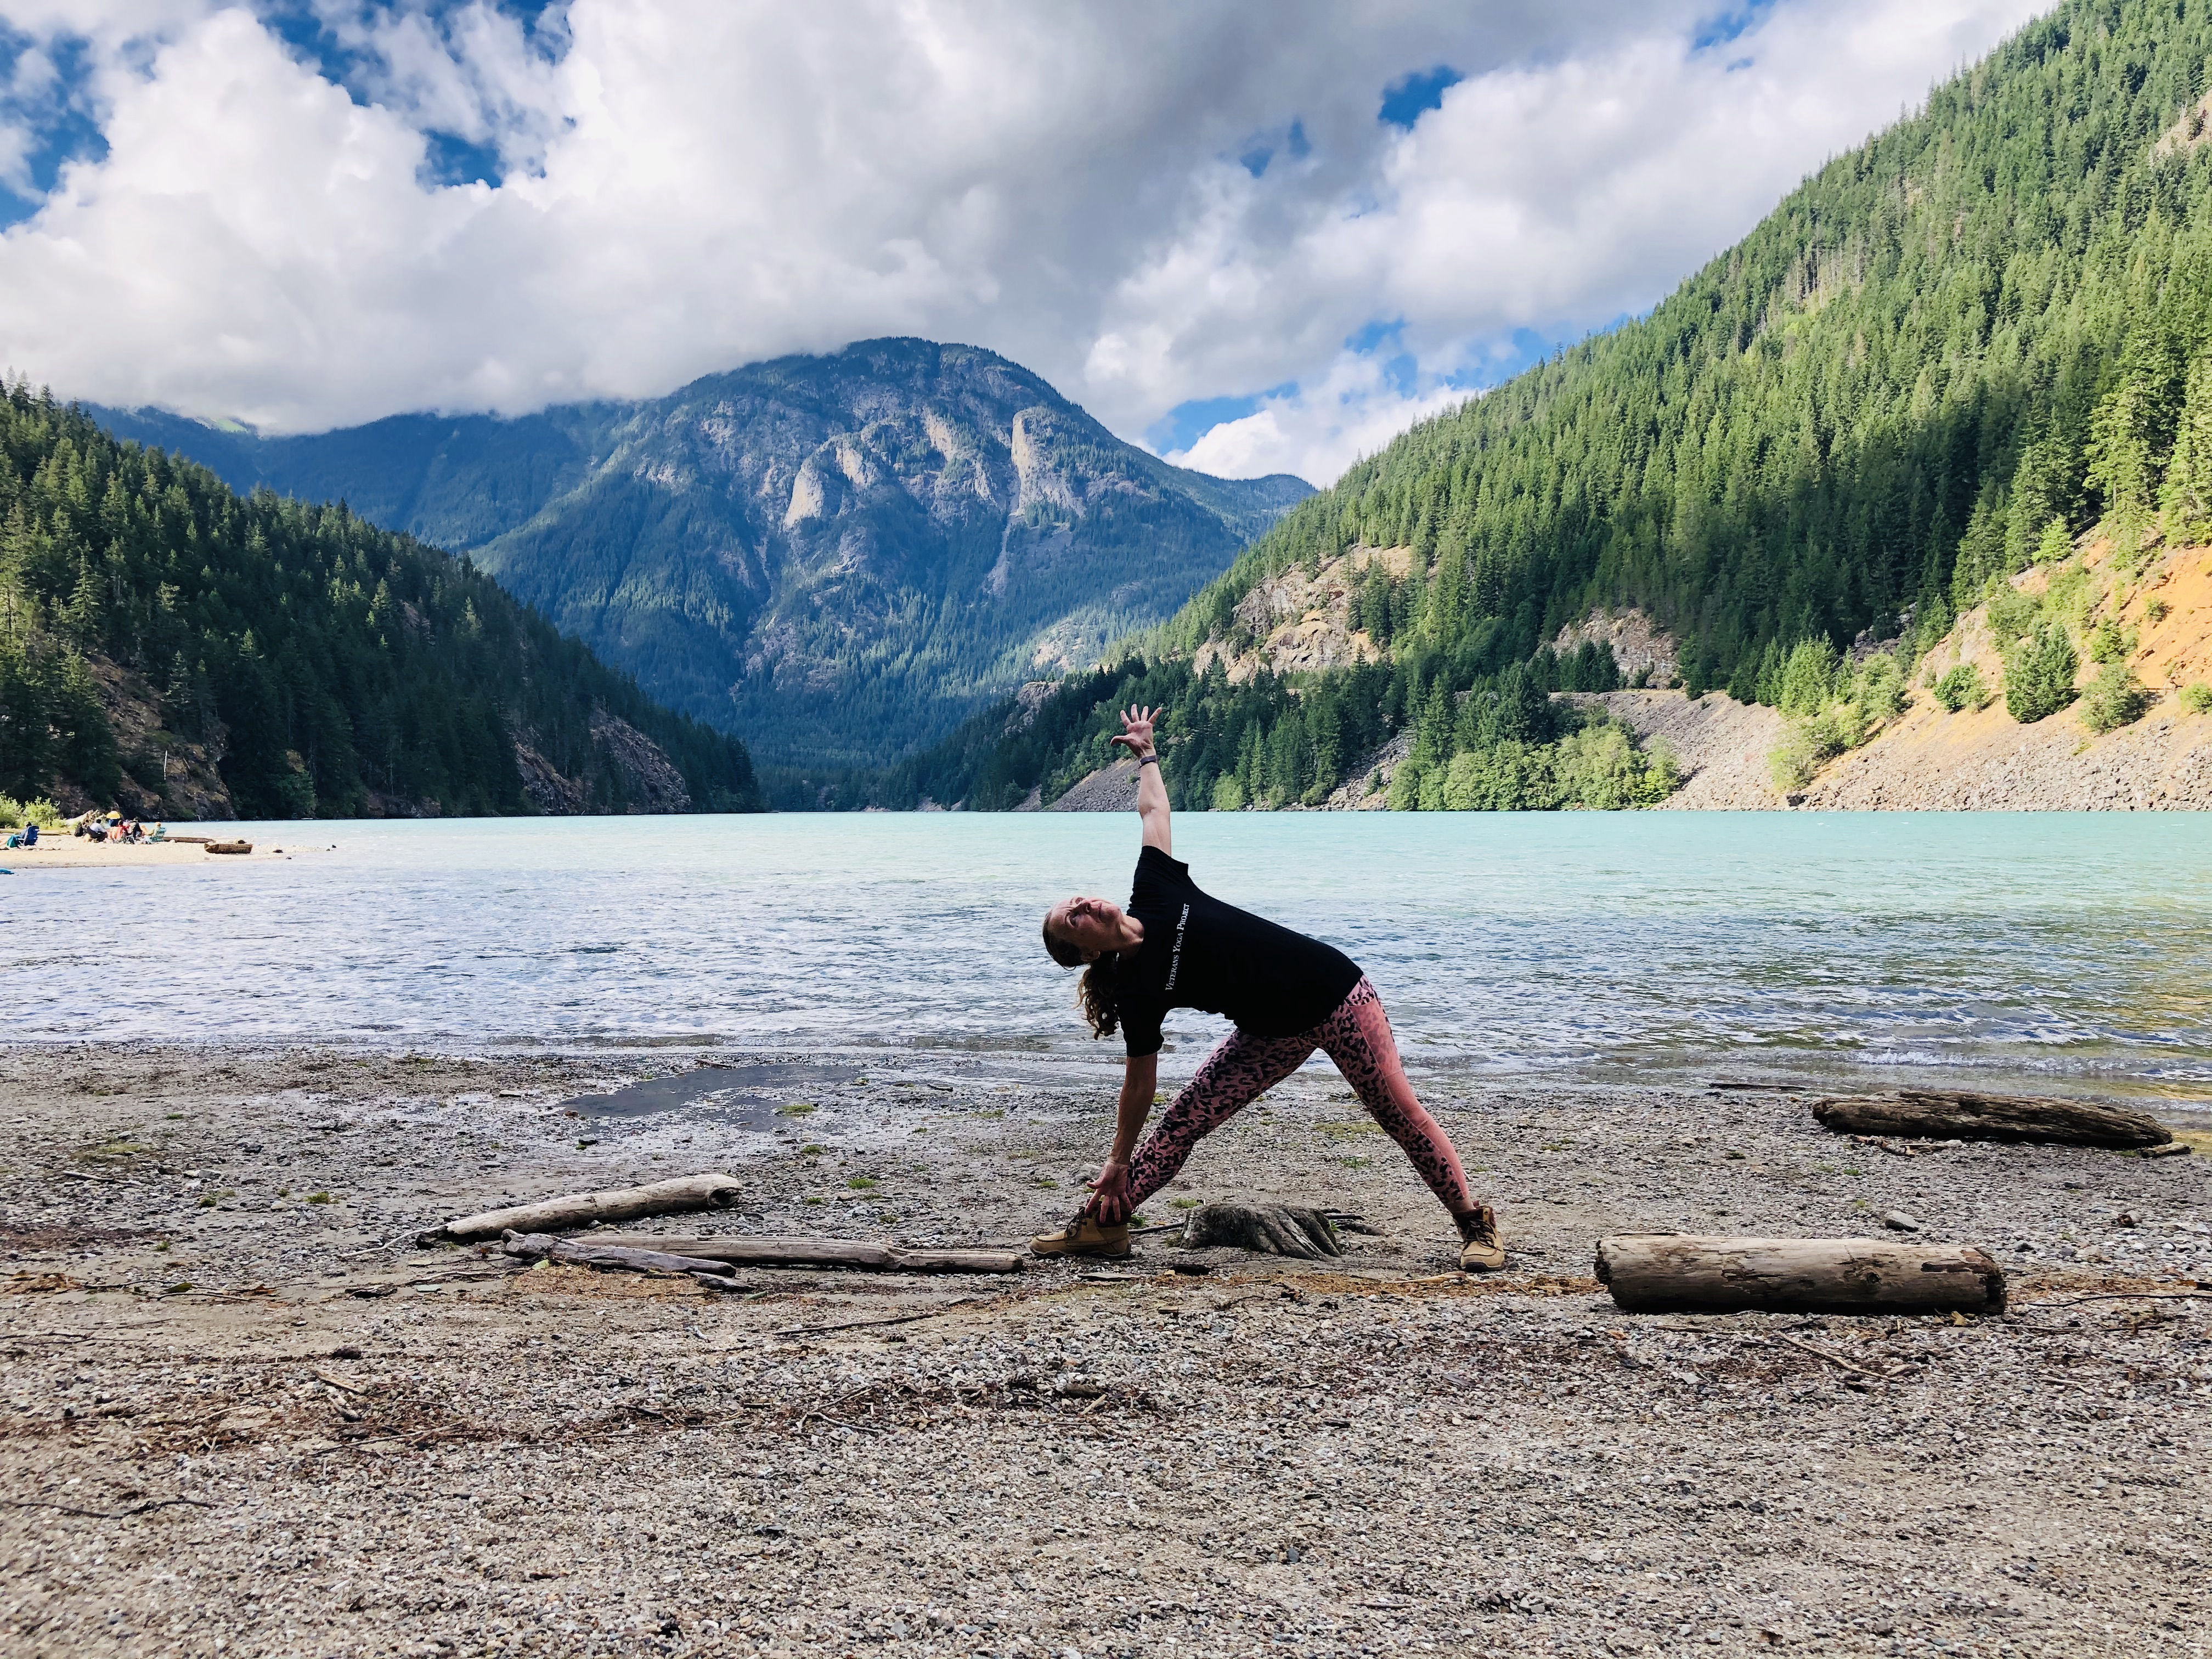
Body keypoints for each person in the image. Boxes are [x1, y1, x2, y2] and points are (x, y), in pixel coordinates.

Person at [1034, 704, 1505, 1272]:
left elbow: (1153, 810)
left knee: (1400, 1114)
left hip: (1339, 997)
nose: (1083, 904)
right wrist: (1117, 1158)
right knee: (1181, 1122)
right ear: (1087, 952)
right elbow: (1139, 1086)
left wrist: (1147, 755)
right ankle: (1103, 1227)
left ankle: (1475, 1225)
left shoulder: (1154, 888)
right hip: (1270, 1034)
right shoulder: (1136, 991)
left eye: (1076, 899)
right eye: (1074, 919)